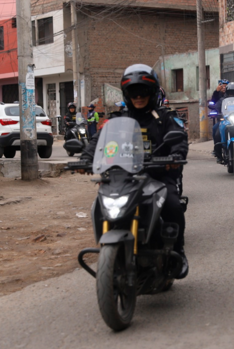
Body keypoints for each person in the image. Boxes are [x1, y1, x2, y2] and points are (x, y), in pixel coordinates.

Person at [80, 64, 189, 279]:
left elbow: (179, 137)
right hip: (122, 177)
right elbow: (96, 142)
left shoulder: (164, 117)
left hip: (157, 176)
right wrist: (85, 158)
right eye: (133, 92)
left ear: (152, 92)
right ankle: (109, 251)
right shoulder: (116, 119)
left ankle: (178, 251)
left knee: (173, 205)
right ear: (127, 94)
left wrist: (175, 155)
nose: (138, 96)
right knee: (101, 206)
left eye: (143, 92)